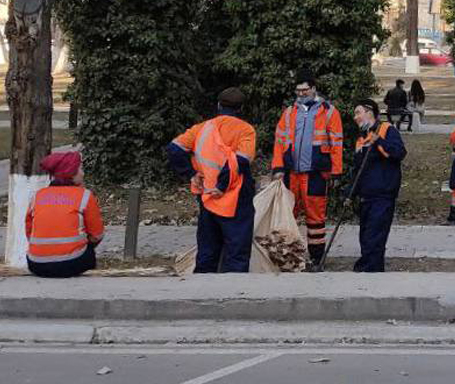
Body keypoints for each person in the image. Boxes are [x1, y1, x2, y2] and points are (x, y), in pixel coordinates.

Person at [168, 87, 257, 273]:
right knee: (237, 251)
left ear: (218, 105)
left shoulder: (203, 128)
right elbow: (240, 161)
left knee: (207, 250)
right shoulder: (246, 130)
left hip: (207, 195)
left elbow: (175, 149)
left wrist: (190, 174)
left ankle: (203, 292)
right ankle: (233, 293)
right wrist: (222, 185)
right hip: (234, 197)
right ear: (241, 109)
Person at [273, 70, 344, 270]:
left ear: (313, 88)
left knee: (316, 219)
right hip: (291, 174)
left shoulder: (329, 111)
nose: (301, 94)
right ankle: (288, 258)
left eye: (304, 90)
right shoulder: (289, 113)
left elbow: (337, 143)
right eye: (298, 90)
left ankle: (316, 259)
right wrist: (278, 167)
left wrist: (336, 171)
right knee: (288, 216)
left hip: (316, 173)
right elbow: (279, 141)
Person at [25, 151, 104, 278]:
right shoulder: (84, 195)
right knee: (89, 250)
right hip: (72, 263)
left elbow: (29, 233)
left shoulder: (38, 196)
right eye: (80, 169)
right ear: (71, 173)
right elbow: (97, 235)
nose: (83, 173)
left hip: (36, 264)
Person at [351, 99, 407, 272]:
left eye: (358, 112)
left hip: (383, 193)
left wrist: (379, 142)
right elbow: (358, 168)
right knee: (365, 234)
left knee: (375, 234)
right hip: (366, 194)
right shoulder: (361, 138)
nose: (356, 117)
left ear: (370, 112)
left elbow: (399, 152)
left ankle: (371, 268)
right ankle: (367, 266)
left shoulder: (387, 130)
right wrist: (351, 192)